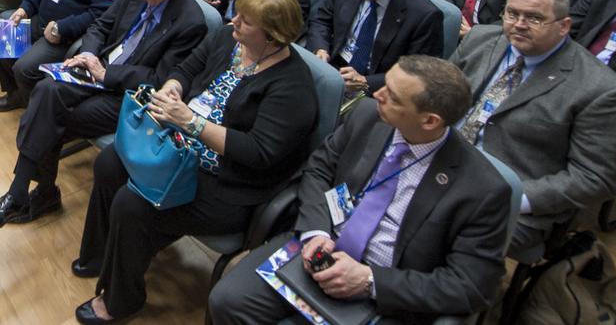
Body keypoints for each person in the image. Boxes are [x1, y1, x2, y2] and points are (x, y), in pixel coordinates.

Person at [73, 0, 317, 324]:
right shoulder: (229, 40)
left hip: (229, 183)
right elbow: (187, 68)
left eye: (245, 21)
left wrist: (192, 123)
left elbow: (259, 153)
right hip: (180, 147)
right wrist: (174, 85)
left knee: (133, 204)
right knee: (111, 161)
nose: (235, 22)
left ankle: (121, 299)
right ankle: (104, 256)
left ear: (274, 36)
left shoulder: (293, 87)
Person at [209, 56, 512, 325]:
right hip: (322, 247)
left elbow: (470, 286)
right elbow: (319, 169)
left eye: (391, 96)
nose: (376, 93)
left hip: (387, 290)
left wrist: (369, 280)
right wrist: (316, 231)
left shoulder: (482, 189)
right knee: (227, 302)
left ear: (429, 120)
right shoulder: (367, 116)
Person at [0, 0, 208, 227]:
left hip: (128, 96)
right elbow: (99, 26)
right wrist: (90, 55)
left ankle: (29, 195)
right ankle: (22, 193)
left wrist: (106, 74)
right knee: (46, 92)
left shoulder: (189, 22)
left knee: (48, 114)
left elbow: (158, 80)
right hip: (96, 72)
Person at [449, 0, 616, 252]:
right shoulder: (482, 38)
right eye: (512, 14)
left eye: (535, 18)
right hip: (443, 158)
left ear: (564, 26)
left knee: (431, 226)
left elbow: (594, 179)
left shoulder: (602, 91)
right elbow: (439, 94)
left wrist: (513, 197)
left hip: (508, 192)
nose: (519, 24)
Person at [308, 0, 444, 94]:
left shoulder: (423, 15)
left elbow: (417, 71)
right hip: (332, 65)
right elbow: (321, 20)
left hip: (376, 85)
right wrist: (320, 48)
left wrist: (367, 82)